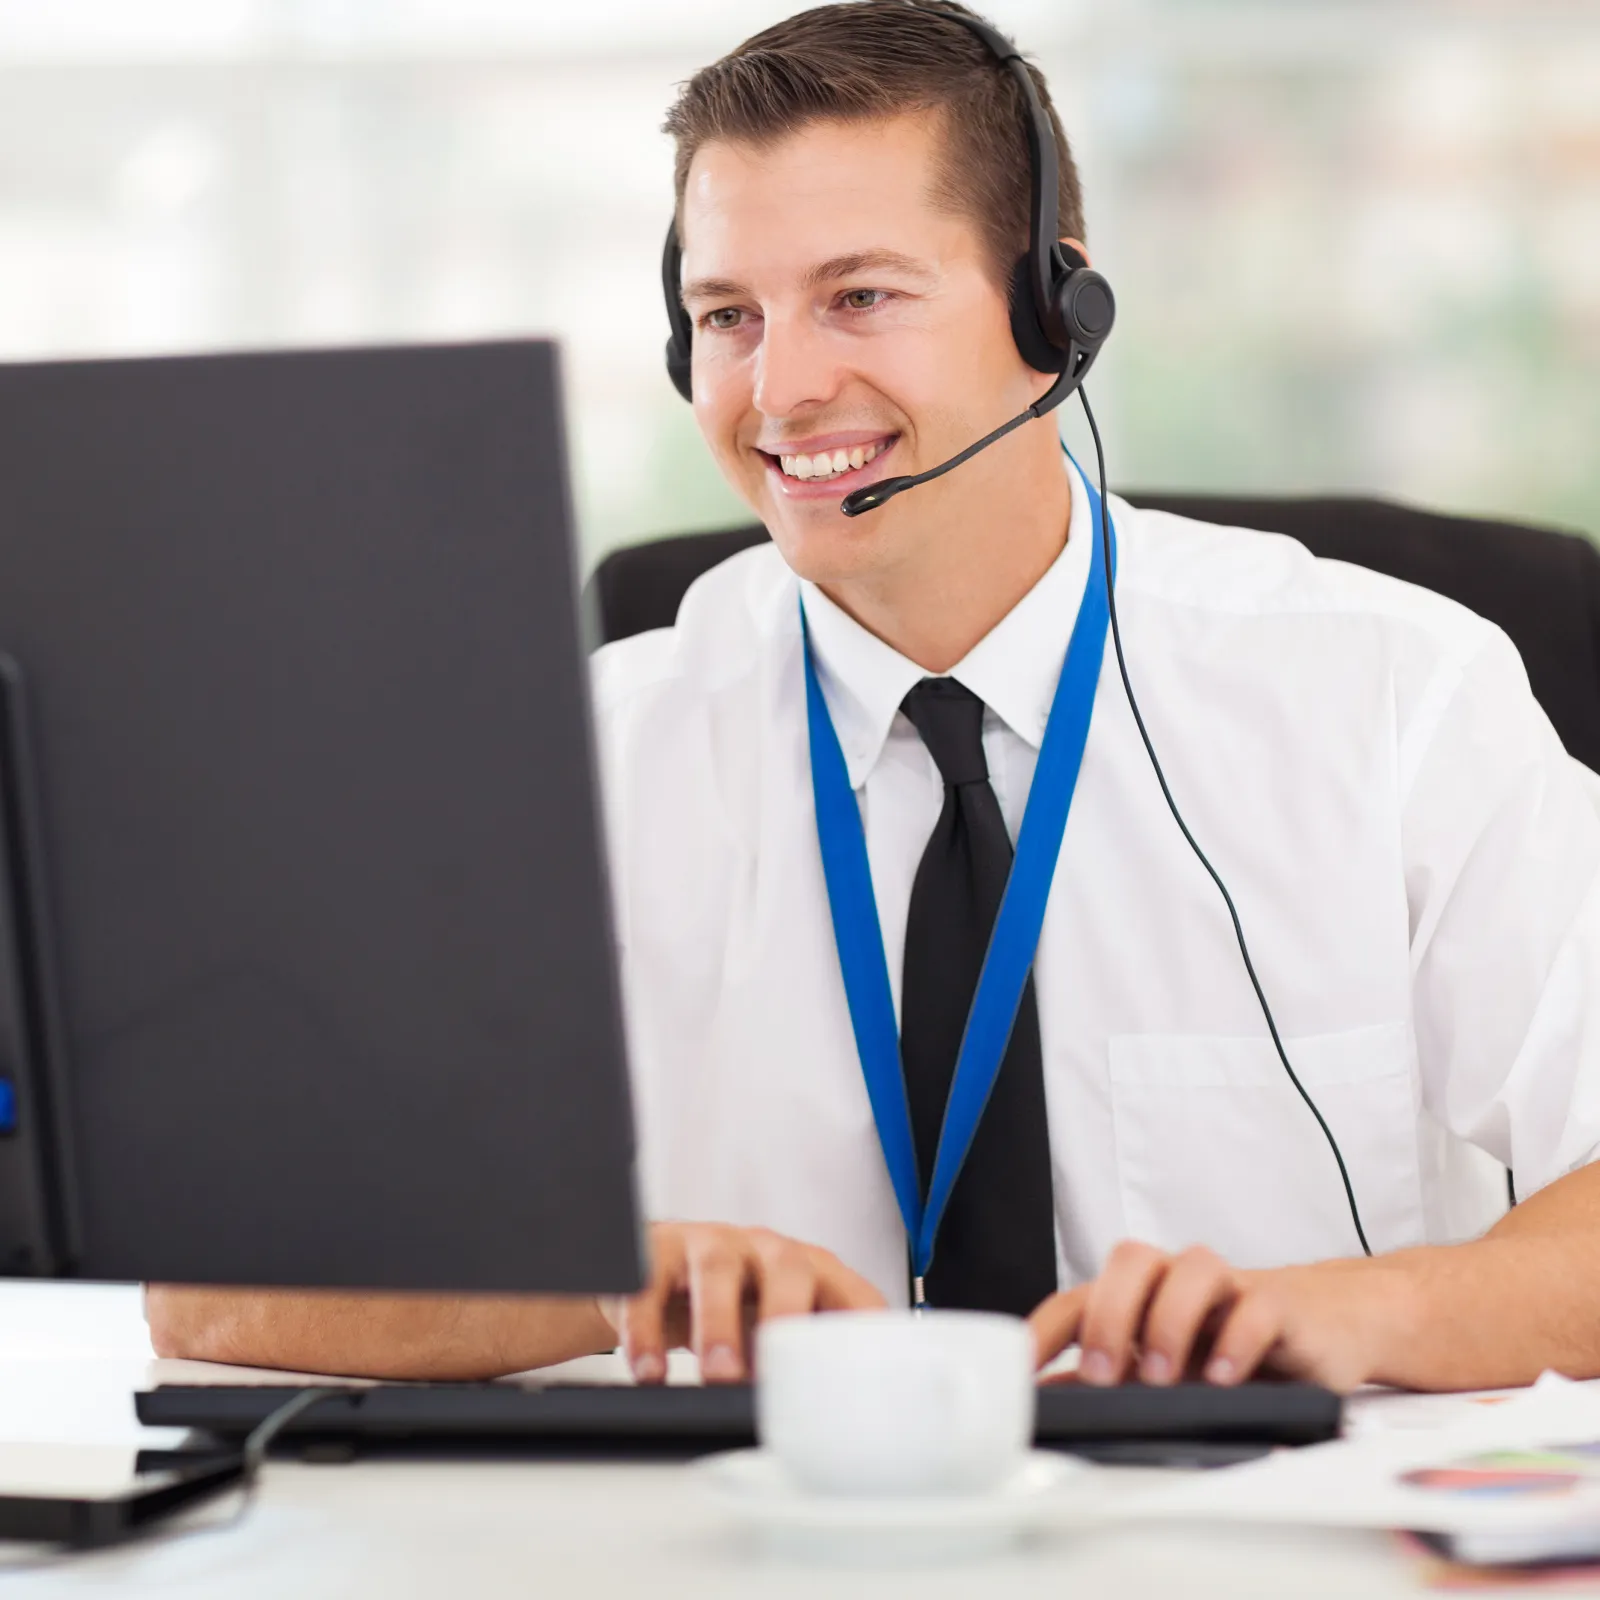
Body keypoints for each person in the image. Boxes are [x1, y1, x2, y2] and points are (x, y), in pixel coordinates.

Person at [148, 0, 1600, 1395]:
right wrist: (604, 1281)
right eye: (727, 315)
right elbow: (211, 1286)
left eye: (860, 296)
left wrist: (1347, 1309)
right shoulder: (579, 760)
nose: (780, 391)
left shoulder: (1393, 694)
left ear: (1056, 308)